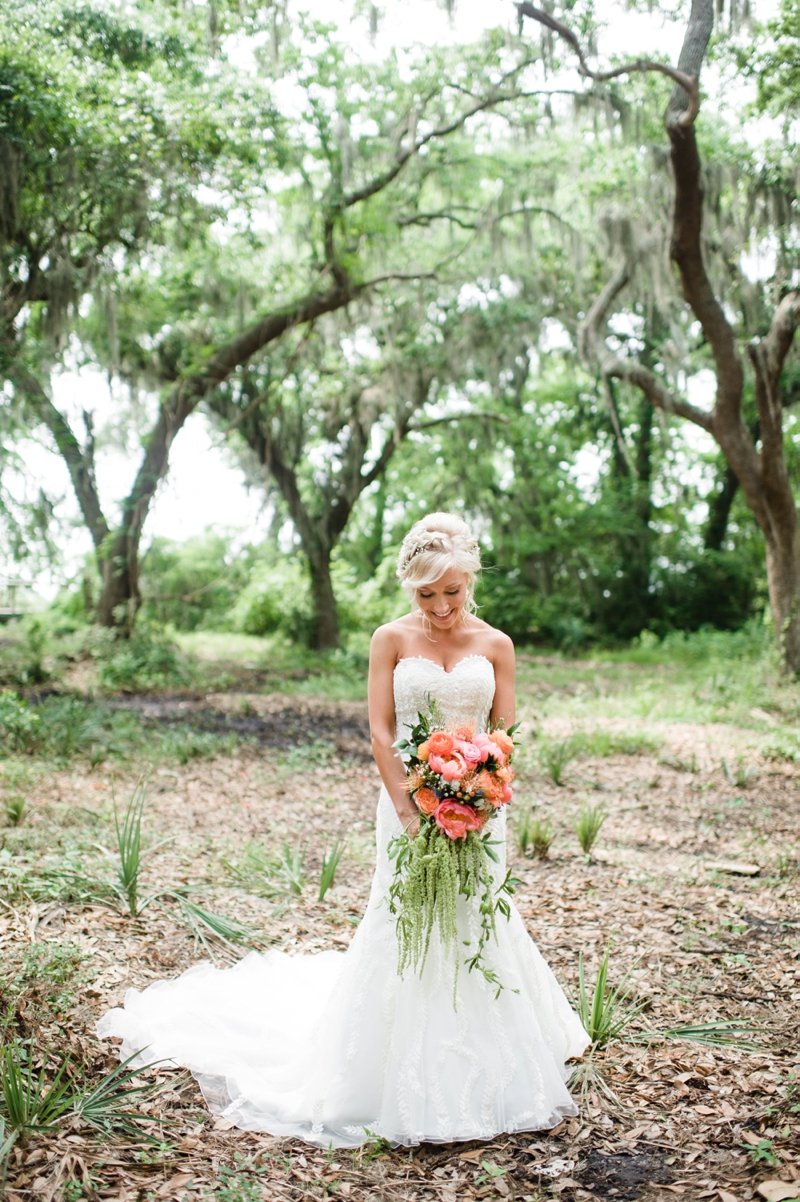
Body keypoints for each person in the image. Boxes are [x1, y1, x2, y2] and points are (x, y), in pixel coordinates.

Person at [98, 512, 588, 1147]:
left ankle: (492, 1054)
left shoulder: (497, 645)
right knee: (404, 915)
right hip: (407, 803)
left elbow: (505, 734)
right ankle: (393, 1061)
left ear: (470, 578)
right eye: (426, 594)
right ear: (410, 589)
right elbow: (381, 729)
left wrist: (483, 792)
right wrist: (412, 808)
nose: (440, 605)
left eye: (452, 590)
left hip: (481, 809)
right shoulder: (390, 638)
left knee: (475, 914)